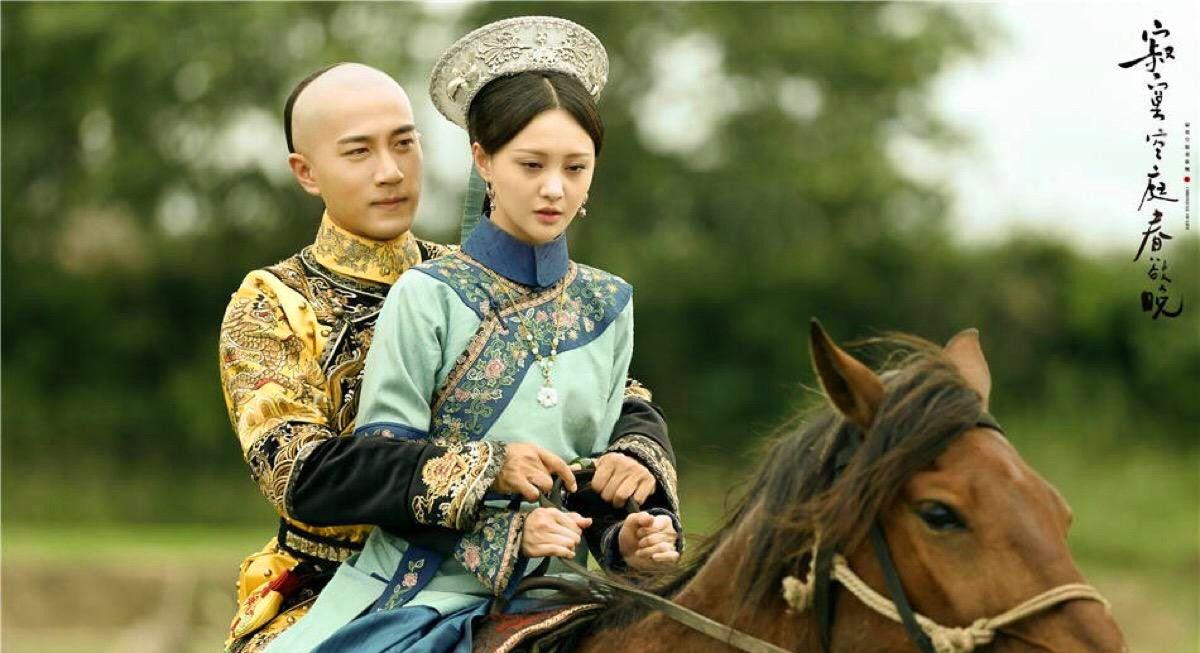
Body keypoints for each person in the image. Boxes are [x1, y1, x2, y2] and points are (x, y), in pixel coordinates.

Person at [217, 60, 679, 653]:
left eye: (404, 144)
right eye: (358, 152)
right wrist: (487, 467)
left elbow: (611, 398)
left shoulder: (474, 273)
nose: (390, 171)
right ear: (306, 171)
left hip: (535, 562)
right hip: (334, 578)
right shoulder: (273, 304)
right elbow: (301, 473)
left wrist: (633, 456)